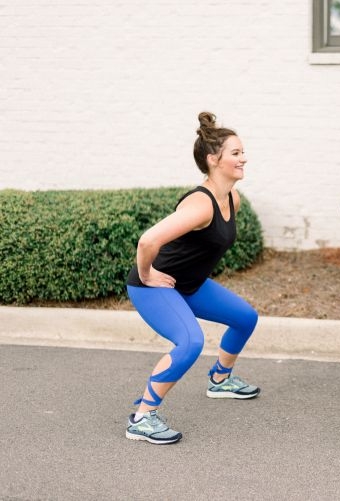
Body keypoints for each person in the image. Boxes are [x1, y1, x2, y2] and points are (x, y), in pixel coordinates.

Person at [124, 111, 260, 445]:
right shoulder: (201, 204)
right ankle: (142, 417)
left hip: (188, 285)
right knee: (190, 342)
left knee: (245, 317)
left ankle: (220, 379)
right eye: (236, 153)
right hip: (154, 287)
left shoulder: (232, 198)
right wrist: (148, 274)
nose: (244, 158)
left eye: (243, 152)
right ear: (214, 160)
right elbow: (148, 241)